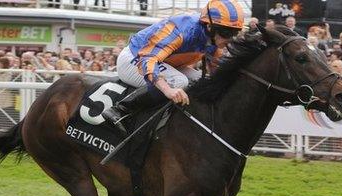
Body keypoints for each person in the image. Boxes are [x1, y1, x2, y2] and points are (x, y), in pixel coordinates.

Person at [102, 0, 244, 133]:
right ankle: (120, 109)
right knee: (179, 81)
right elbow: (148, 60)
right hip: (135, 58)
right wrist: (167, 90)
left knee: (201, 81)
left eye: (234, 33)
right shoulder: (180, 30)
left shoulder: (213, 38)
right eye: (227, 33)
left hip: (165, 62)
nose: (230, 39)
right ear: (209, 26)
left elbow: (216, 73)